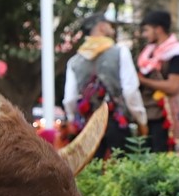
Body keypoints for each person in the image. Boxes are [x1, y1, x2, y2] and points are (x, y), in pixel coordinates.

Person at [63, 15, 148, 159]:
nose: (111, 28)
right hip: (116, 119)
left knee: (91, 169)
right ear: (101, 26)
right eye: (109, 24)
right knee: (121, 169)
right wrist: (141, 119)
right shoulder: (120, 52)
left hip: (88, 124)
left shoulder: (74, 61)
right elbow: (130, 91)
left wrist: (72, 119)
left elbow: (70, 99)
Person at [137, 10, 179, 153]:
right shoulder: (149, 52)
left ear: (158, 29)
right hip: (148, 113)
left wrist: (142, 81)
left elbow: (173, 87)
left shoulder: (177, 53)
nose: (144, 35)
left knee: (163, 156)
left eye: (146, 30)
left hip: (166, 116)